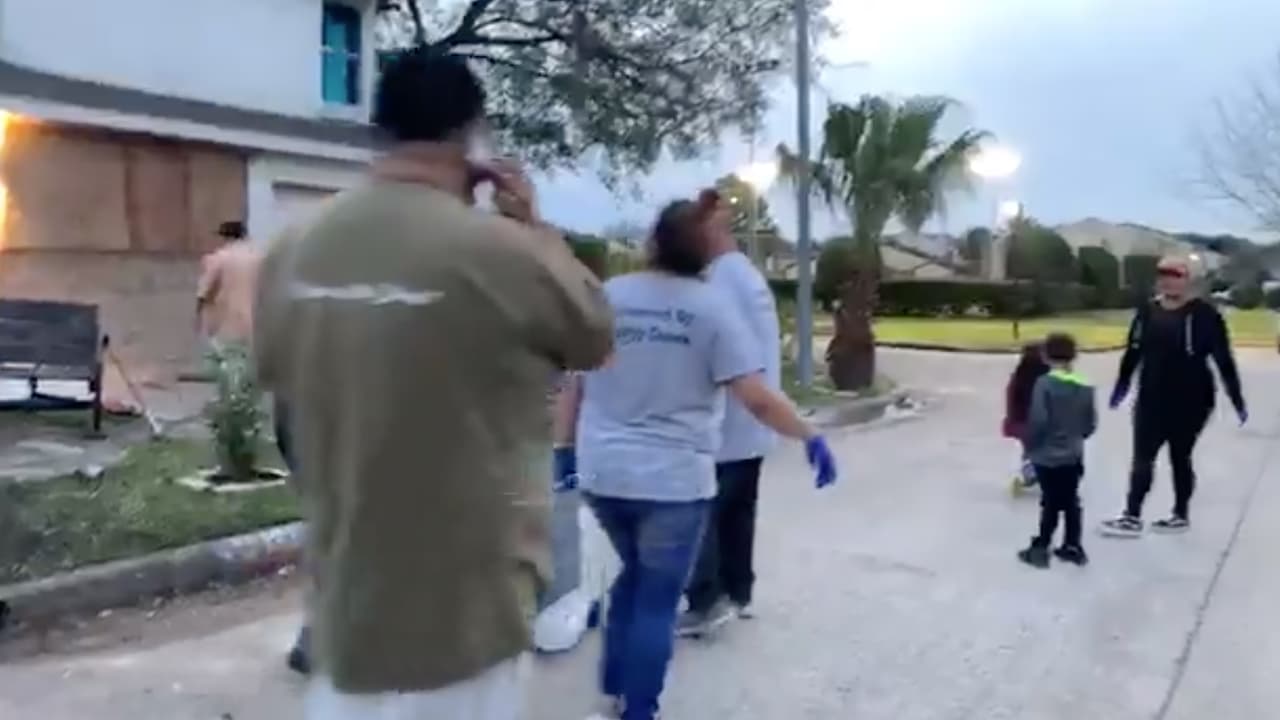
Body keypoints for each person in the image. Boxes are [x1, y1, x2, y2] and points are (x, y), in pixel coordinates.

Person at [254, 48, 614, 720]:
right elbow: (594, 334)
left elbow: (280, 382)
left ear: (379, 131)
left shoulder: (290, 251)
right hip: (466, 617)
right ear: (473, 138)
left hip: (346, 616)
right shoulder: (503, 254)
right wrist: (531, 225)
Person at [554, 194, 838, 720]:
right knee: (657, 599)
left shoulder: (611, 296)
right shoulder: (712, 310)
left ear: (652, 242)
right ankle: (638, 709)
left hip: (605, 474)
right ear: (708, 254)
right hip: (673, 483)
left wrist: (562, 451)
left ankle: (614, 690)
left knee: (632, 578)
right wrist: (809, 435)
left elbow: (575, 383)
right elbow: (754, 396)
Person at [676, 189, 781, 637]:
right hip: (753, 422)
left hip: (726, 424)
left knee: (703, 516)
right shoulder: (747, 275)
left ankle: (707, 602)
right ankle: (738, 592)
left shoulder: (718, 282)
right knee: (738, 512)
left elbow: (710, 350)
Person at [1100, 255, 1247, 538]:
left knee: (1181, 456)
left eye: (1176, 274)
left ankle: (1180, 513)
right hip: (1151, 396)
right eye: (1163, 273)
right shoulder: (1147, 312)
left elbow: (1223, 358)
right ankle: (1131, 515)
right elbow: (1133, 351)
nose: (1168, 279)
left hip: (1192, 399)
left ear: (1188, 279)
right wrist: (1121, 386)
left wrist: (1237, 398)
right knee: (1143, 457)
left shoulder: (1205, 315)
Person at [1016, 333, 1097, 568]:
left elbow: (1039, 420)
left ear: (1045, 356)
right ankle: (1073, 545)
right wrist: (1075, 438)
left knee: (1050, 502)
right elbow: (1090, 423)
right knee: (1071, 501)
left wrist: (1030, 445)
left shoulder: (1044, 383)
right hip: (1073, 453)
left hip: (1047, 455)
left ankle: (1041, 547)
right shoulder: (1084, 384)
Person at [196, 220, 260, 349]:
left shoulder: (219, 258)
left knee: (226, 361)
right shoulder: (258, 258)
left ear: (225, 237)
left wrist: (198, 315)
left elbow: (204, 291)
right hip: (253, 323)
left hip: (225, 326)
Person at [1002, 341, 1050, 496]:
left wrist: (1012, 420)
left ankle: (1031, 474)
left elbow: (1011, 400)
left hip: (1024, 422)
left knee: (1029, 450)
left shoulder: (1018, 377)